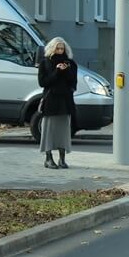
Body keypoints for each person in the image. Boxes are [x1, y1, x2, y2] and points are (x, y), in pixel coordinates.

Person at [37, 37, 77, 168]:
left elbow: (73, 82)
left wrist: (65, 71)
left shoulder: (71, 63)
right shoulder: (45, 63)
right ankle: (48, 158)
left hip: (65, 101)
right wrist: (57, 71)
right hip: (51, 100)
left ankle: (62, 159)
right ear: (52, 49)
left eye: (62, 48)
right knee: (48, 130)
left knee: (64, 131)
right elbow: (43, 83)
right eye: (57, 48)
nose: (60, 51)